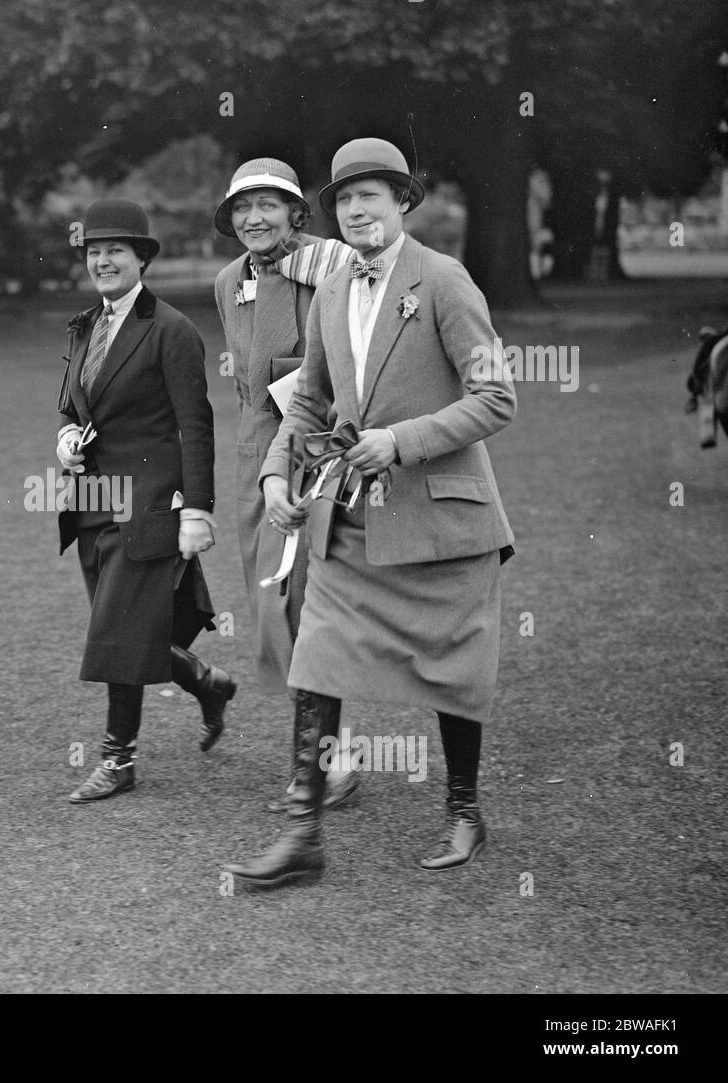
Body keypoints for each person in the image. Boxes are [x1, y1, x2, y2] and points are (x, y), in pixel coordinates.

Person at [223, 138, 517, 887]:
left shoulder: (445, 281)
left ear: (402, 203)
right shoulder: (331, 290)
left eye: (371, 197)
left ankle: (463, 810)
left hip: (443, 521)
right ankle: (303, 832)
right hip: (348, 518)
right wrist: (274, 471)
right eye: (345, 200)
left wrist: (400, 441)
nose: (356, 210)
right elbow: (310, 399)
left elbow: (496, 398)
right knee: (316, 656)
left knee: (452, 673)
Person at [56, 198, 235, 804]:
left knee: (117, 632)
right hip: (92, 504)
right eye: (94, 252)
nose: (103, 261)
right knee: (127, 631)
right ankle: (207, 684)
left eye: (116, 251)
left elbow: (196, 424)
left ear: (141, 260)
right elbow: (70, 405)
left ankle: (118, 759)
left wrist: (198, 509)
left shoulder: (171, 330)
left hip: (151, 504)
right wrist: (64, 442)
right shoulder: (85, 325)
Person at [210, 158, 359, 812]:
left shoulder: (326, 268)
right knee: (269, 604)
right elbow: (246, 382)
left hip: (309, 451)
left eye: (270, 205)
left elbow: (331, 377)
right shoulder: (227, 282)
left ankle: (332, 760)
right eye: (244, 208)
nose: (255, 219)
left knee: (297, 601)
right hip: (250, 458)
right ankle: (327, 753)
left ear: (297, 212)